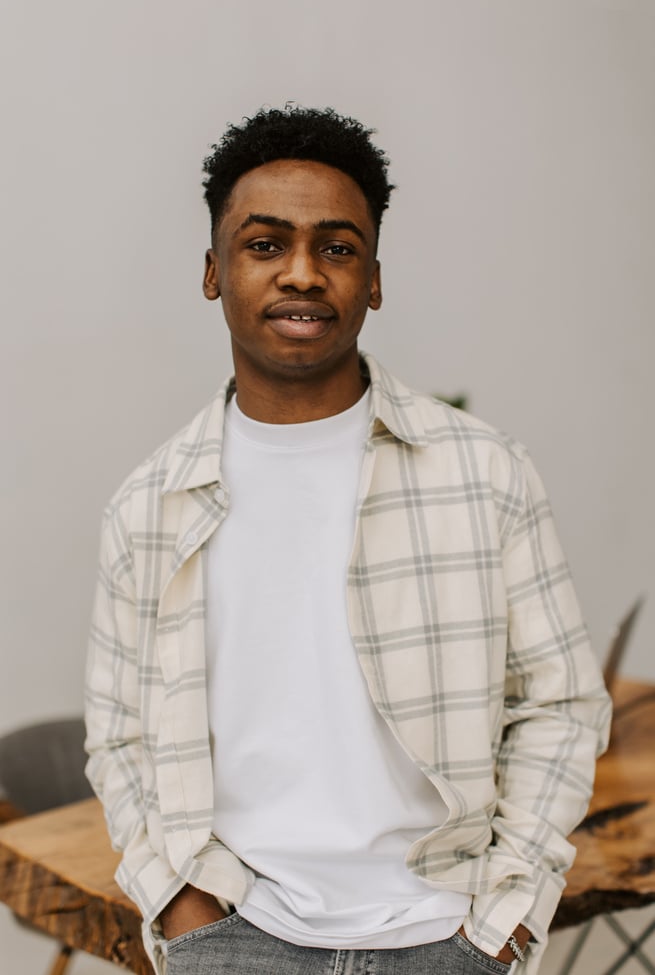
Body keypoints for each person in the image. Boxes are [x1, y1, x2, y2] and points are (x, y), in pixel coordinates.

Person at [85, 106, 611, 975]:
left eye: (336, 247)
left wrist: (503, 920)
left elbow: (558, 705)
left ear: (372, 279)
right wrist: (182, 910)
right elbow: (121, 736)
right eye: (264, 244)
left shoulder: (484, 472)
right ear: (213, 272)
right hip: (236, 929)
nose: (301, 273)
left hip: (447, 935)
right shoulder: (148, 507)